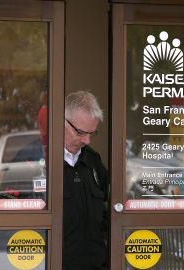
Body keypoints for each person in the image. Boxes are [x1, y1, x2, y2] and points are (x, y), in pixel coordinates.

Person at [63, 91, 108, 270]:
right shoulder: (39, 160)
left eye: (92, 133)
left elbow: (107, 211)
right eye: (81, 132)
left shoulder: (93, 162)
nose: (87, 140)